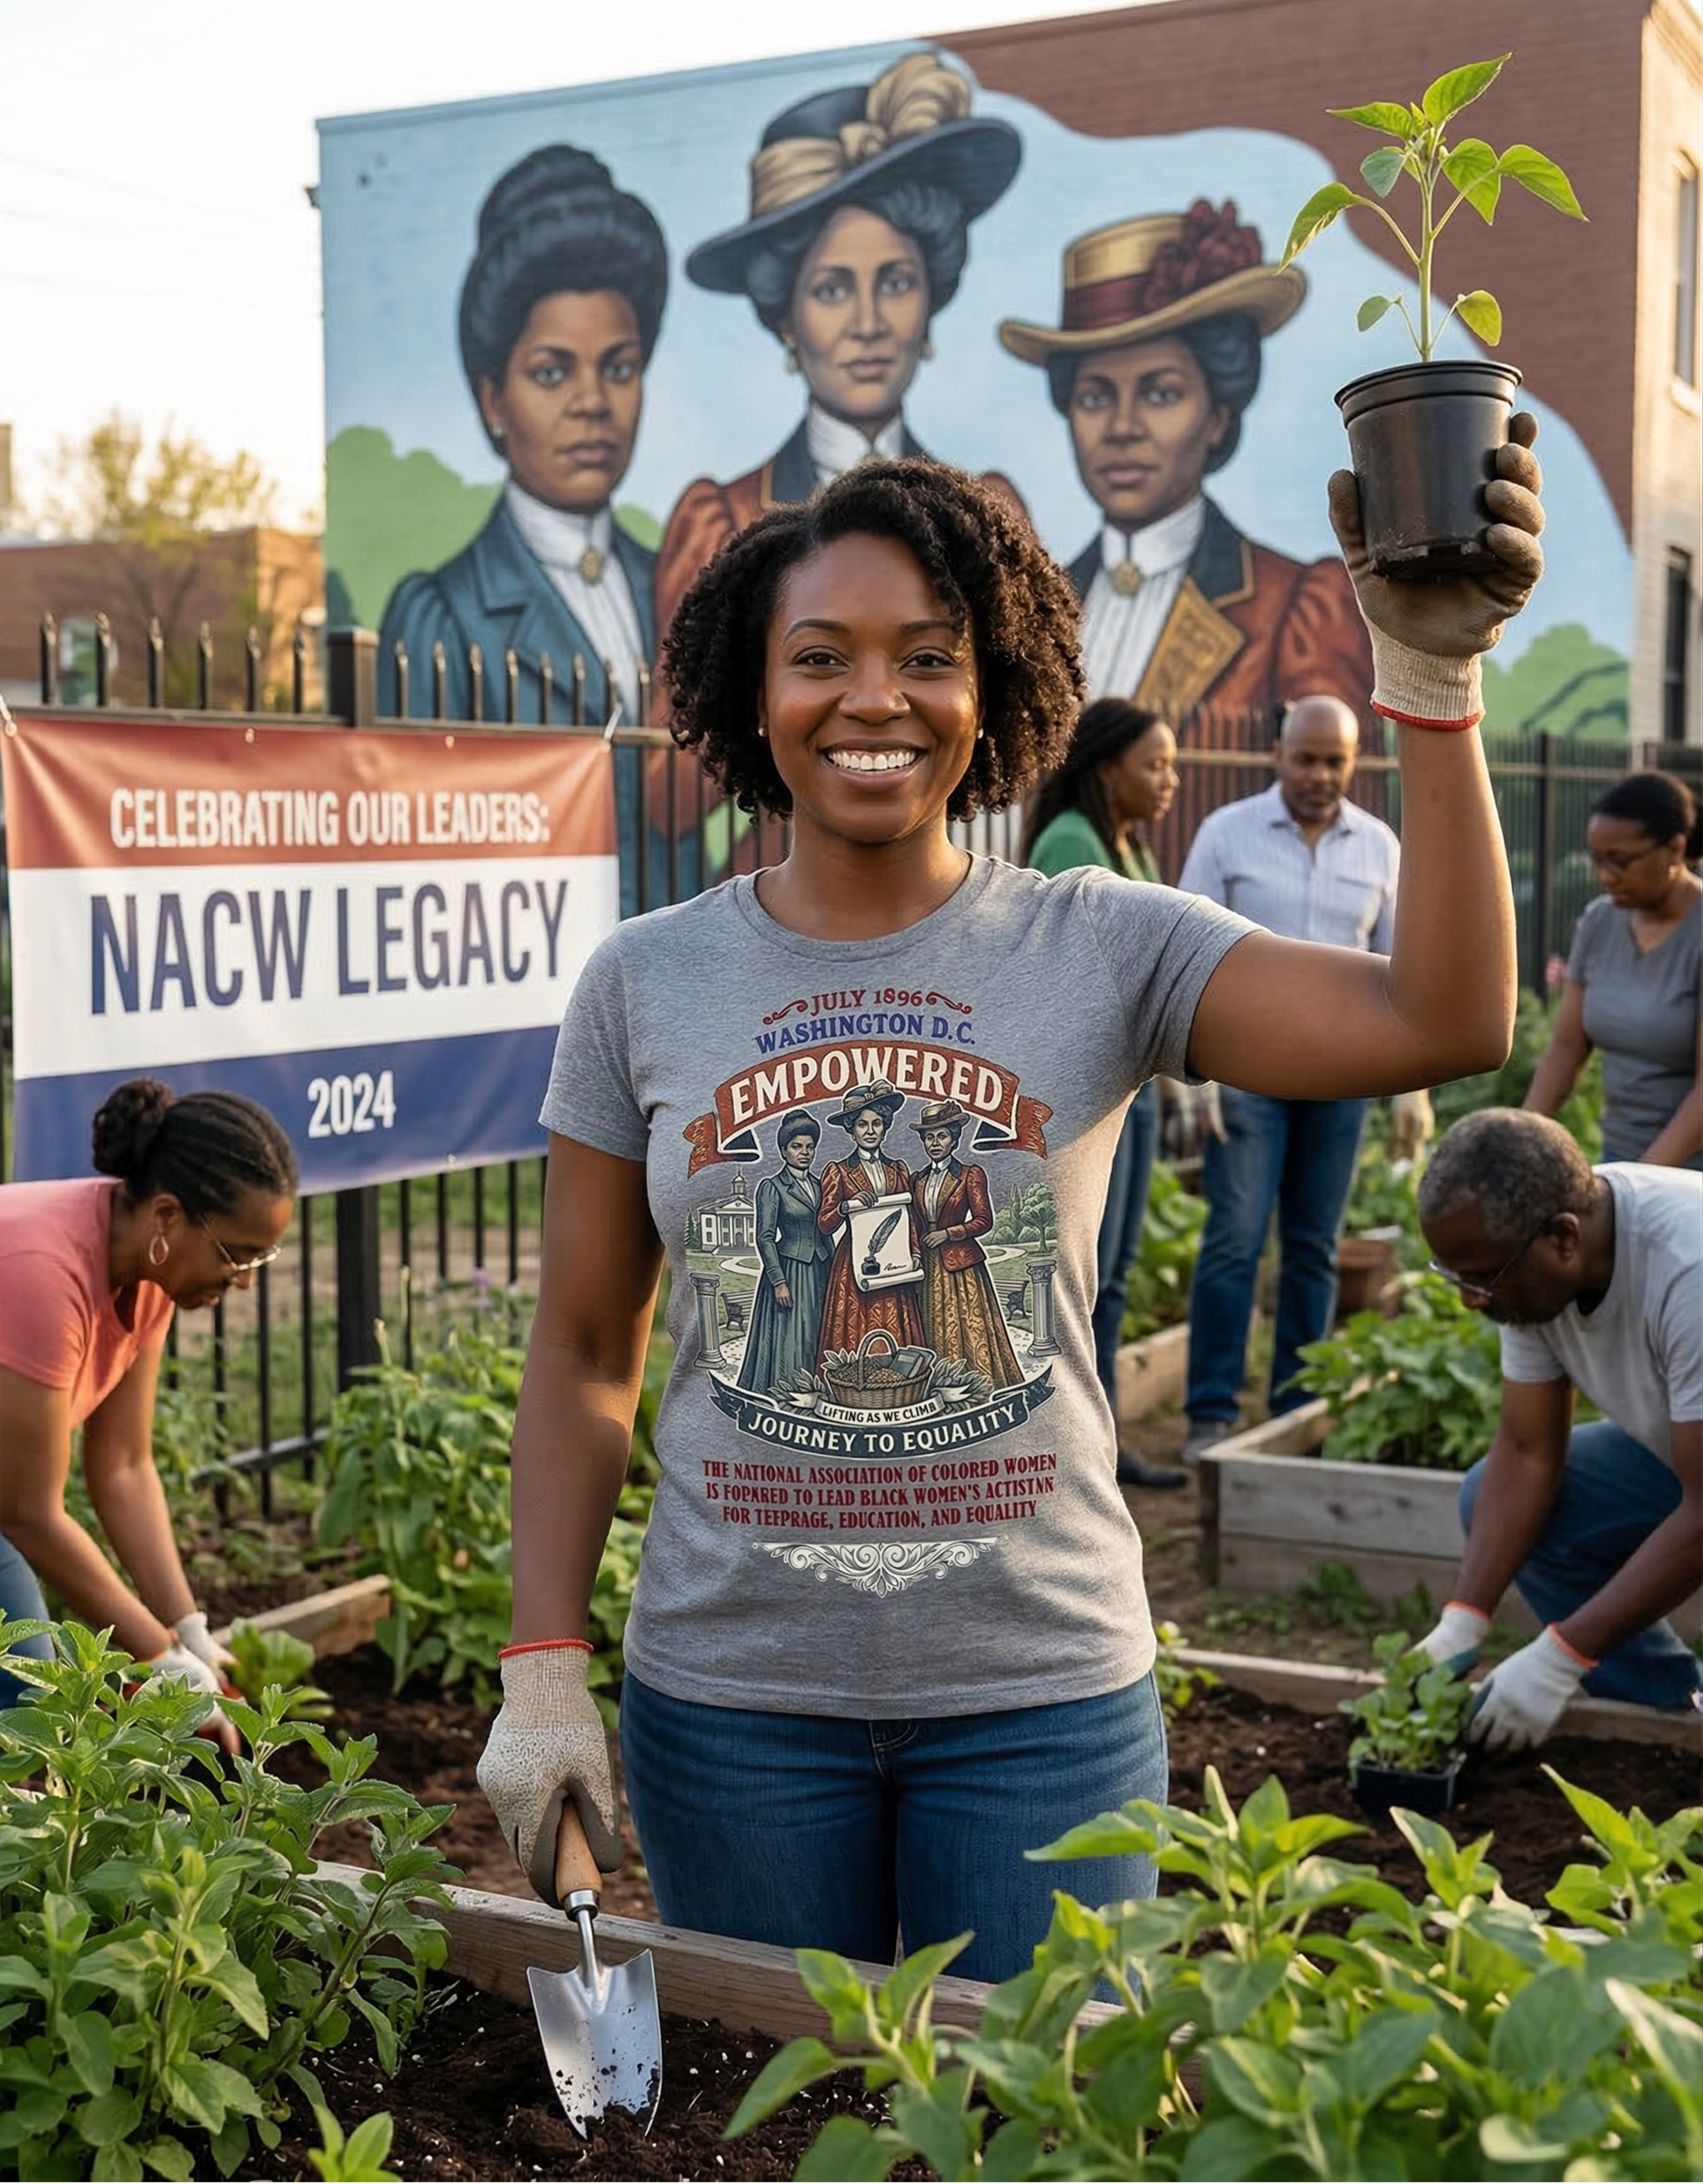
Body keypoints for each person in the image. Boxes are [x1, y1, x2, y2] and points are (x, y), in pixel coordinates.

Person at [476, 430, 1543, 1982]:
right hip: (735, 1702)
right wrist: (542, 1662)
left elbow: (1442, 1018)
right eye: (820, 656)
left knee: (1049, 2129)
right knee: (795, 2132)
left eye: (927, 656)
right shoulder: (644, 983)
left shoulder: (1100, 944)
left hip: (1042, 1698)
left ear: (995, 688)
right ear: (749, 686)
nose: (874, 698)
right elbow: (583, 1343)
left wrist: (1430, 684)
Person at [376, 148, 667, 911]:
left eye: (620, 366)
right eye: (550, 372)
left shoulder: (676, 584)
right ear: (492, 401)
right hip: (531, 1006)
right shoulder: (440, 615)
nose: (591, 402)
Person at [0, 1079, 298, 1729]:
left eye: (263, 1258)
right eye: (238, 1255)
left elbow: (123, 1466)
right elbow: (28, 1513)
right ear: (167, 1217)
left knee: (32, 1699)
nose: (247, 1280)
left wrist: (186, 1629)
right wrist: (160, 1656)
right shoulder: (40, 1276)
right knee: (20, 1696)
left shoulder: (149, 1272)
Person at [654, 52, 1022, 640]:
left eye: (896, 282)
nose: (868, 322)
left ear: (931, 299)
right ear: (787, 320)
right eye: (832, 289)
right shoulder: (720, 524)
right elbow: (681, 724)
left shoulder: (986, 517)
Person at [998, 200, 1374, 737]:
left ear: (1218, 415)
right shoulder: (1048, 603)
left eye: (1160, 393)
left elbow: (1339, 810)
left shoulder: (1292, 605)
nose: (1122, 427)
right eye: (1096, 398)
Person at [1413, 1108, 1701, 1746]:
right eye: (1456, 1276)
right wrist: (1464, 1619)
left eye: (1481, 1276)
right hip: (1687, 1460)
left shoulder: (1689, 1265)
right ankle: (1669, 1713)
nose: (1470, 1299)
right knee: (1499, 1494)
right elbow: (1526, 1453)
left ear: (1564, 1239)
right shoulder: (1537, 1267)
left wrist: (1562, 1652)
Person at [1174, 698, 1413, 1455]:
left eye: (1333, 760)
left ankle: (1292, 1414)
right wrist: (1193, 1074)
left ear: (1354, 761)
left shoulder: (1379, 847)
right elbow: (1181, 956)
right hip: (1243, 1077)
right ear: (1277, 753)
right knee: (1235, 1243)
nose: (1318, 775)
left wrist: (1411, 1086)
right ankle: (1210, 1413)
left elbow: (1408, 977)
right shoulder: (1227, 835)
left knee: (1314, 1247)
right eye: (1304, 758)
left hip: (1341, 1084)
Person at [1022, 697, 1185, 1489]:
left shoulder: (1126, 844)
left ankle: (1104, 1444)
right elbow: (1065, 985)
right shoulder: (1070, 843)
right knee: (1081, 1280)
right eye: (1154, 764)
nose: (1170, 780)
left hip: (1136, 1094)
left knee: (1112, 1275)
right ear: (1105, 765)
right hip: (1091, 1101)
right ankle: (1076, 1450)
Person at [1522, 770, 1701, 1170]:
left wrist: (1639, 1183)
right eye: (1597, 860)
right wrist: (1522, 1134)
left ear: (1674, 849)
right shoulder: (1600, 923)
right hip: (1622, 1154)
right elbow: (1567, 1048)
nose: (1605, 876)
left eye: (1620, 862)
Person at [908, 1097, 1023, 1390]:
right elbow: (911, 1223)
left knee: (967, 1327)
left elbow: (984, 1220)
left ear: (954, 1139)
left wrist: (948, 1234)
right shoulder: (917, 1179)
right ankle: (938, 1389)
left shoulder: (970, 1174)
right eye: (929, 1137)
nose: (935, 1143)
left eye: (942, 1136)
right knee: (932, 1326)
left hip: (961, 1265)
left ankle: (976, 1387)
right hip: (928, 1265)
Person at [814, 1082, 927, 1362]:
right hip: (853, 1262)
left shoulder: (898, 1168)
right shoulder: (838, 1171)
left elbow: (907, 1217)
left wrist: (914, 1253)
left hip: (895, 1259)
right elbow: (825, 1223)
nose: (870, 1130)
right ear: (851, 1129)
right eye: (862, 1124)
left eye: (877, 1123)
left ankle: (898, 1385)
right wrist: (844, 1207)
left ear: (885, 1127)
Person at [736, 1110, 833, 1396]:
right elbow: (765, 1237)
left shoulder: (820, 1185)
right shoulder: (772, 1187)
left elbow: (825, 1231)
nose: (804, 1153)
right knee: (792, 1336)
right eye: (797, 1146)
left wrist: (837, 1269)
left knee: (817, 1331)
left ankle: (817, 1393)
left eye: (809, 1146)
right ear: (783, 1151)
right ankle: (788, 1394)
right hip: (790, 1270)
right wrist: (779, 1281)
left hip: (820, 1269)